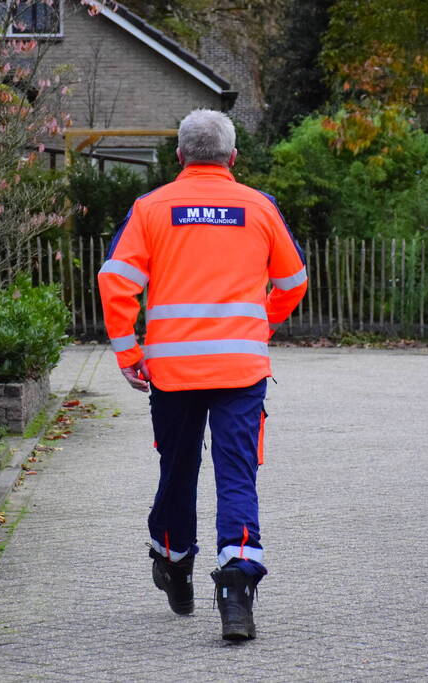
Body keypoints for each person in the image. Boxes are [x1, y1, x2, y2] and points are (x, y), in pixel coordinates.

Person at [97, 109, 307, 641]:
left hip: (171, 369)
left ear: (180, 157)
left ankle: (174, 560)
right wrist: (262, 323)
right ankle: (236, 586)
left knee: (179, 468)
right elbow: (294, 280)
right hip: (240, 368)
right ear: (233, 158)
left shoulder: (151, 208)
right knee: (237, 473)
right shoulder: (259, 207)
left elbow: (115, 281)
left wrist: (128, 353)